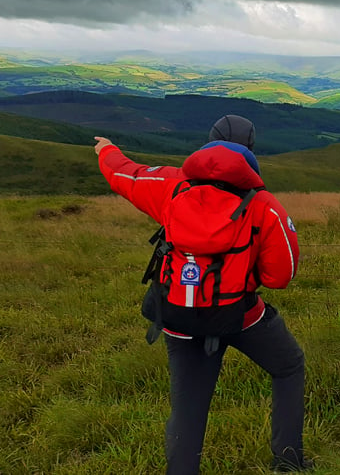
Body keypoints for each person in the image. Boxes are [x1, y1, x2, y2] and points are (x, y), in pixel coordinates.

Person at [93, 114, 311, 473]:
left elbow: (124, 175)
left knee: (188, 409)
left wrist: (107, 150)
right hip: (240, 315)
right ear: (251, 150)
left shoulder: (171, 185)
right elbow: (280, 276)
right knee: (288, 366)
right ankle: (288, 462)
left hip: (178, 314)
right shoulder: (263, 205)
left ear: (206, 142)